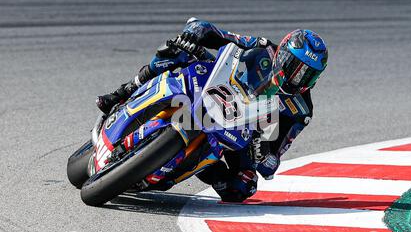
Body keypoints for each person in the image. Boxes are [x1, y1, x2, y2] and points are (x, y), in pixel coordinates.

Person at [96, 18, 328, 202]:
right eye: (294, 66)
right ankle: (122, 92)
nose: (297, 77)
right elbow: (215, 33)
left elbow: (271, 164)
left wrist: (262, 149)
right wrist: (193, 33)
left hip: (244, 130)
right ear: (283, 53)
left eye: (307, 74)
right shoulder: (262, 48)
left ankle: (193, 162)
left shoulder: (301, 110)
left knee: (242, 188)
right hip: (217, 88)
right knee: (175, 51)